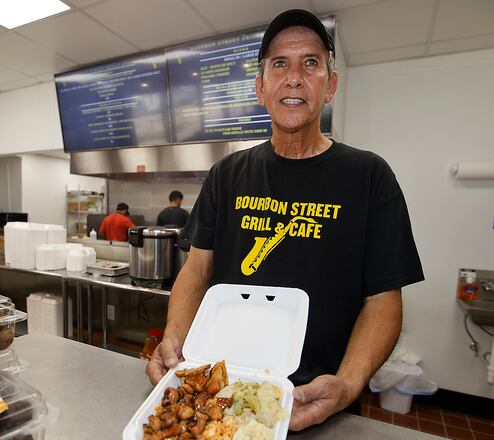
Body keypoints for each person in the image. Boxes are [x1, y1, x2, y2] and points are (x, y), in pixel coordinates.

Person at [145, 9, 424, 431]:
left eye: (311, 63)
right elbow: (197, 270)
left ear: (330, 86)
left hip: (320, 402)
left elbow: (383, 298)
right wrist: (174, 340)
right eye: (280, 63)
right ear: (261, 88)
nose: (294, 76)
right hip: (221, 394)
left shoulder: (369, 176)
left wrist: (347, 384)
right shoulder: (227, 174)